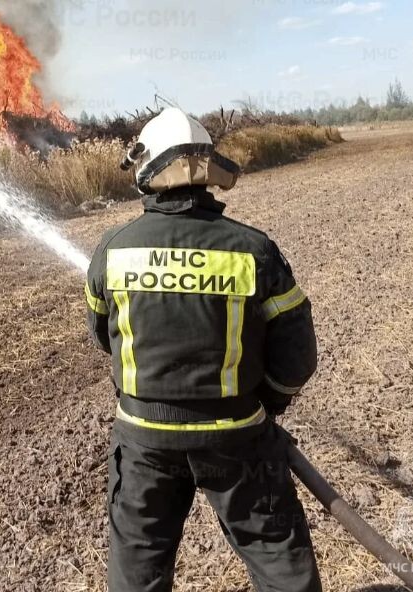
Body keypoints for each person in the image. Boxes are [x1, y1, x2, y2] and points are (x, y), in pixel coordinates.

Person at [84, 108, 322, 592]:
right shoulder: (253, 250)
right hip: (236, 436)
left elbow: (103, 336)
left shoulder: (114, 250)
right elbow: (298, 352)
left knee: (139, 565)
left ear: (147, 171)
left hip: (144, 441)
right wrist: (270, 401)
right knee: (276, 554)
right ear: (209, 171)